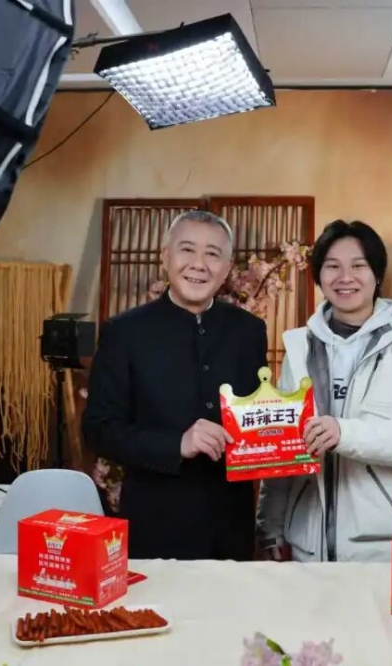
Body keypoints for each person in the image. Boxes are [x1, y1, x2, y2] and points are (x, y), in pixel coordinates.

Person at [256, 219, 392, 563]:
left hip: (382, 546)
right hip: (306, 547)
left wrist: (344, 433)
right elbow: (283, 448)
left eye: (358, 266)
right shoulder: (299, 348)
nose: (345, 277)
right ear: (319, 276)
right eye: (332, 266)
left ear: (377, 275)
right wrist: (269, 527)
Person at [83, 210, 268, 561]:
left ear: (227, 268)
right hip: (155, 525)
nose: (199, 264)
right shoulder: (124, 333)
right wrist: (177, 444)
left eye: (212, 254)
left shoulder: (249, 331)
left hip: (232, 527)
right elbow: (99, 430)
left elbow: (257, 415)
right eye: (187, 250)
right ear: (165, 257)